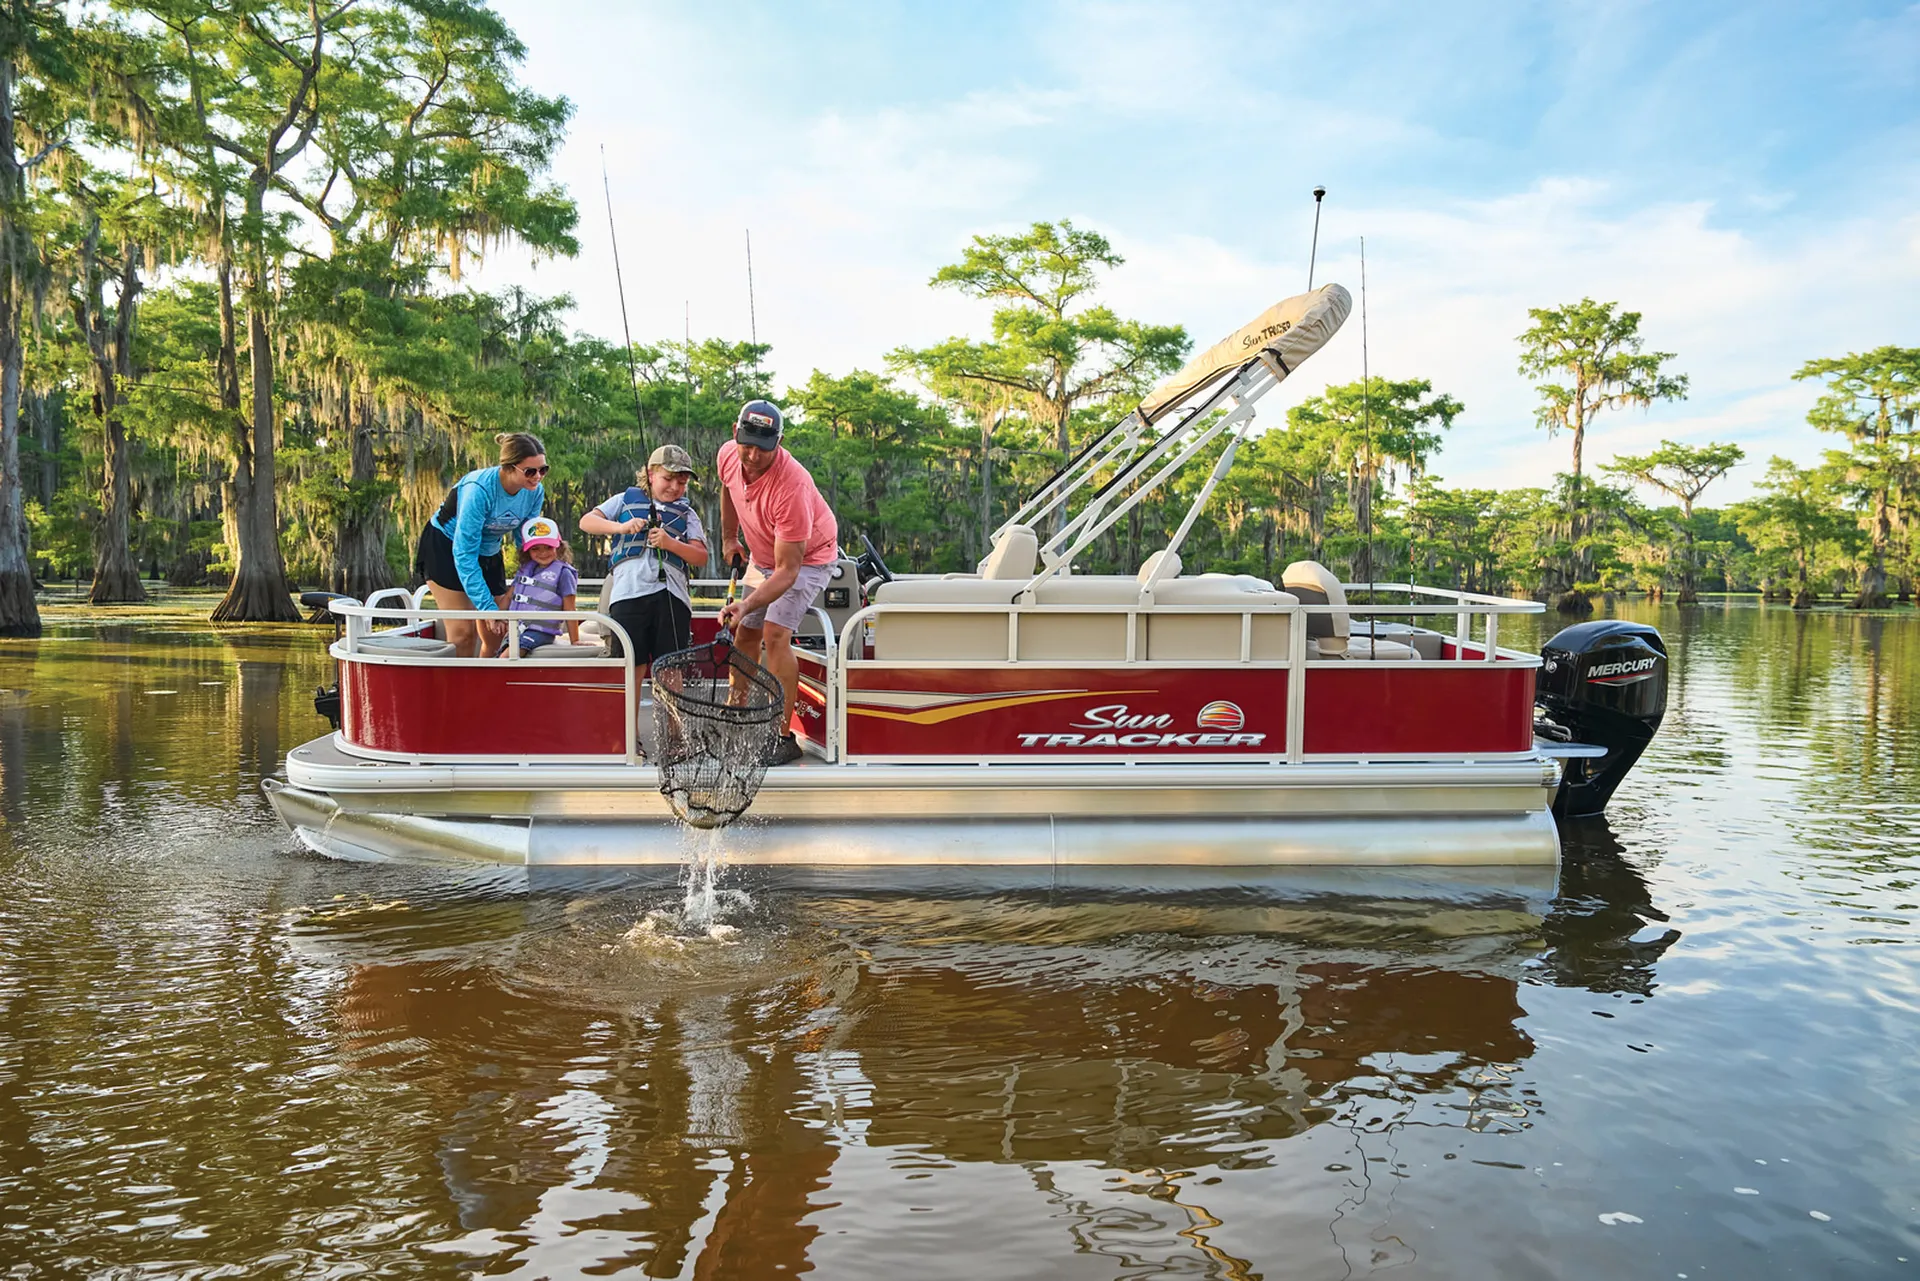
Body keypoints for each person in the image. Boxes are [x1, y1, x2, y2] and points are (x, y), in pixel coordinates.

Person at [715, 399, 839, 766]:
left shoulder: (792, 486)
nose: (752, 456)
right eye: (747, 444)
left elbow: (788, 570)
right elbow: (727, 488)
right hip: (762, 554)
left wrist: (746, 603)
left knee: (774, 633)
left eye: (763, 448)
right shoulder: (728, 455)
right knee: (745, 632)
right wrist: (728, 538)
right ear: (735, 432)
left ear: (779, 441)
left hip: (807, 560)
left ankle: (782, 736)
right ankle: (736, 708)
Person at [416, 432, 548, 657]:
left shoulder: (534, 492)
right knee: (463, 633)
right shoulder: (479, 490)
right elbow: (464, 553)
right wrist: (487, 608)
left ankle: (485, 685)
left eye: (543, 470)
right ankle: (459, 690)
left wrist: (539, 573)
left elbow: (524, 542)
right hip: (445, 549)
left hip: (489, 550)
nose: (538, 477)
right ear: (509, 467)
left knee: (498, 630)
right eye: (530, 471)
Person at [578, 444, 710, 667]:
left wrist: (670, 543)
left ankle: (668, 703)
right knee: (631, 667)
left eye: (682, 482)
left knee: (669, 668)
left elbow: (700, 556)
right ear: (651, 474)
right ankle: (631, 704)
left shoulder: (688, 513)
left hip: (671, 597)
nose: (674, 487)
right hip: (628, 594)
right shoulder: (623, 499)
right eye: (668, 478)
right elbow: (586, 522)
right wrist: (621, 528)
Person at [487, 517, 580, 657]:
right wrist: (498, 617)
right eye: (535, 548)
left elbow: (570, 609)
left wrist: (575, 641)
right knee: (501, 654)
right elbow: (509, 596)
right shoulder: (525, 571)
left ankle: (493, 677)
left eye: (548, 547)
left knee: (506, 657)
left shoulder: (564, 573)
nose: (543, 553)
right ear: (527, 551)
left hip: (541, 632)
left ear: (559, 547)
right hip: (517, 628)